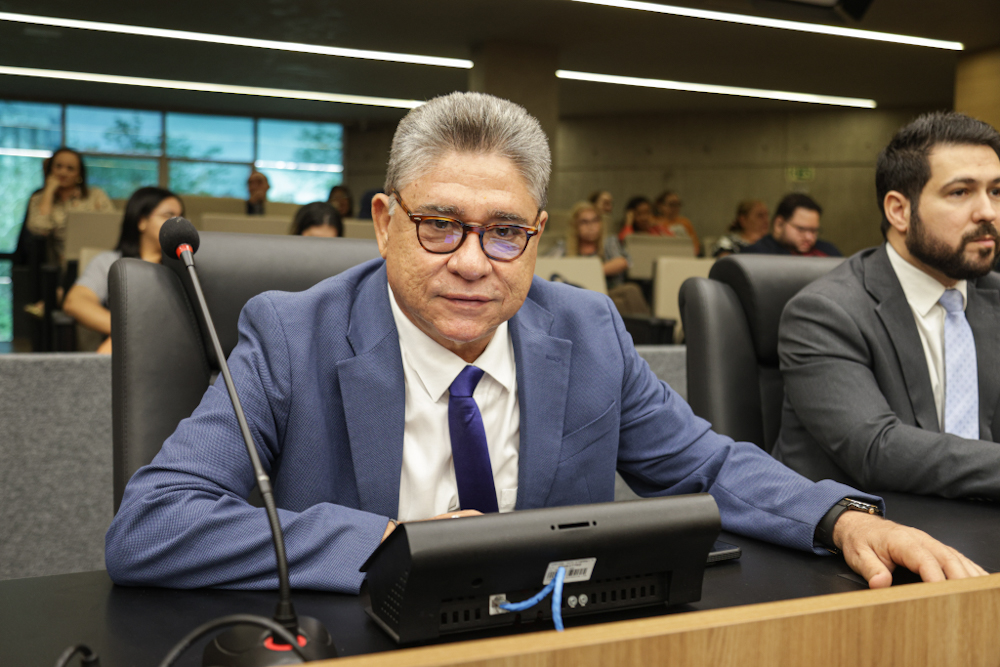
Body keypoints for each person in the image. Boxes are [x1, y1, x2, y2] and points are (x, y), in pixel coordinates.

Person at [106, 92, 985, 595]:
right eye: (440, 224)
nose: (471, 263)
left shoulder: (586, 329)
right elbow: (153, 523)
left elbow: (709, 466)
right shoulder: (289, 333)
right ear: (384, 222)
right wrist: (389, 542)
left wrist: (840, 516)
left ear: (536, 234)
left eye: (504, 233)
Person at [773, 111, 1000, 500]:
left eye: (996, 191)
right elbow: (878, 450)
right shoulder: (824, 312)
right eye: (960, 192)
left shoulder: (992, 297)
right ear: (899, 210)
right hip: (863, 525)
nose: (988, 212)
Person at [62, 187, 184, 355]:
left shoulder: (186, 266)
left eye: (181, 217)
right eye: (168, 215)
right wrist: (130, 330)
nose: (177, 224)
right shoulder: (110, 262)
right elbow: (76, 302)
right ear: (142, 221)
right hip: (131, 347)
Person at [547, 201, 649, 316]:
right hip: (577, 294)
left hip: (606, 292)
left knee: (629, 291)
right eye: (584, 222)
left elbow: (623, 262)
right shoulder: (564, 247)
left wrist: (592, 271)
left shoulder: (609, 242)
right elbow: (546, 265)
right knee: (617, 303)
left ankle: (650, 327)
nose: (591, 226)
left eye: (595, 221)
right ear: (575, 226)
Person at [25, 147, 115, 263]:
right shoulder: (38, 198)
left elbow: (111, 229)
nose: (63, 172)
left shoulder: (95, 195)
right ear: (50, 169)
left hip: (94, 257)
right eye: (58, 166)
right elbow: (40, 228)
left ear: (79, 174)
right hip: (59, 262)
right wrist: (49, 191)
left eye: (70, 168)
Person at [743, 193, 842, 257]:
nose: (809, 237)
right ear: (779, 224)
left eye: (814, 231)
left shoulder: (828, 251)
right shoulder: (755, 255)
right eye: (801, 229)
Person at [654, 191, 702, 256]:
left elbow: (695, 244)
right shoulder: (654, 222)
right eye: (671, 204)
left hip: (684, 256)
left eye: (677, 204)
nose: (675, 208)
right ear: (660, 206)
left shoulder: (685, 222)